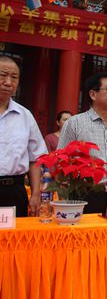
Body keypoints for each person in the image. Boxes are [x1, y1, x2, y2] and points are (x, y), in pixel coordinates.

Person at [58, 72, 107, 214]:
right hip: (85, 194)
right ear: (93, 94)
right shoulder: (74, 123)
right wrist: (63, 198)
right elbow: (62, 161)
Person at [0, 56, 47, 217]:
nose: (8, 82)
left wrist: (35, 194)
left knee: (16, 239)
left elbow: (35, 159)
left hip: (14, 191)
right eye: (3, 75)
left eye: (14, 77)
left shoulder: (25, 116)